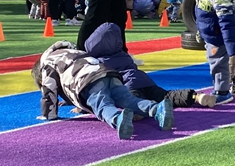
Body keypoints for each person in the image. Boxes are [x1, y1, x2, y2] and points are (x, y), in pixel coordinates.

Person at [32, 40, 174, 140]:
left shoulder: (47, 63)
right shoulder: (71, 51)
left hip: (88, 80)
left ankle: (117, 119)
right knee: (129, 100)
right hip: (107, 72)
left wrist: (48, 114)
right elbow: (70, 75)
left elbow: (50, 90)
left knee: (102, 105)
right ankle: (157, 109)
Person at [83, 22, 216, 108]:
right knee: (167, 95)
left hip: (128, 85)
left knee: (133, 102)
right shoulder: (123, 55)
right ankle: (195, 96)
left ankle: (145, 110)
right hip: (145, 81)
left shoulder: (99, 62)